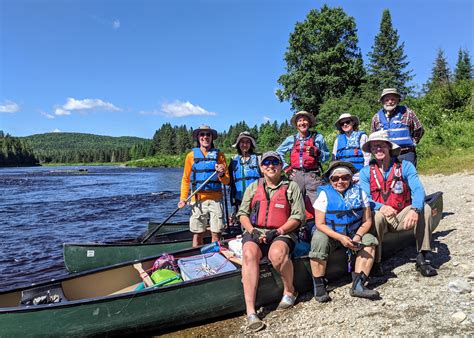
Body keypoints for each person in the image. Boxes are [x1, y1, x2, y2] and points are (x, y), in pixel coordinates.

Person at [236, 151, 305, 332]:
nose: (271, 166)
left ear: (281, 166)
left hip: (283, 231)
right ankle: (251, 311)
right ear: (261, 167)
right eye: (266, 163)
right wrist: (253, 231)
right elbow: (242, 214)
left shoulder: (291, 187)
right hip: (256, 230)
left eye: (275, 162)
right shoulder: (253, 187)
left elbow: (298, 216)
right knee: (249, 253)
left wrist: (279, 231)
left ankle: (290, 291)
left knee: (277, 254)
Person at [359, 131, 437, 277]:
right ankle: (376, 262)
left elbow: (419, 190)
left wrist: (414, 209)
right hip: (381, 215)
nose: (378, 149)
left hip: (401, 214)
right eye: (374, 147)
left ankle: (423, 256)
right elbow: (364, 198)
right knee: (375, 217)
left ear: (389, 147)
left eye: (382, 145)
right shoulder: (365, 172)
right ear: (371, 150)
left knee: (425, 208)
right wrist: (381, 207)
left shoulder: (405, 166)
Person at [309, 161, 379, 302]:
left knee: (370, 240)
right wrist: (340, 238)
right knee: (318, 239)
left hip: (353, 234)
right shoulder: (324, 195)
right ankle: (319, 285)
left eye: (345, 177)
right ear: (330, 180)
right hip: (331, 234)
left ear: (351, 178)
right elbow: (320, 224)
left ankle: (358, 285)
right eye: (335, 178)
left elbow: (367, 221)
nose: (340, 181)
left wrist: (358, 237)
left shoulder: (360, 193)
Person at [177, 125, 230, 247]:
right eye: (202, 134)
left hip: (216, 199)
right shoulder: (191, 156)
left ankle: (215, 257)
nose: (205, 137)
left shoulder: (219, 156)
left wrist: (221, 174)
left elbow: (227, 181)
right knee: (197, 233)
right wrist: (183, 198)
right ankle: (195, 256)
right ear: (198, 137)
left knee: (216, 233)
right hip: (197, 199)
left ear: (212, 137)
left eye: (208, 134)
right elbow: (185, 180)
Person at [276, 111, 330, 203]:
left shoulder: (318, 137)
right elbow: (278, 153)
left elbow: (327, 156)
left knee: (320, 204)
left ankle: (319, 217)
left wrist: (319, 153)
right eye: (299, 121)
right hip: (296, 175)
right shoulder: (291, 139)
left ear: (309, 123)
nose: (302, 123)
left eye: (305, 120)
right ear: (296, 125)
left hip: (313, 175)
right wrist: (285, 168)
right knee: (294, 204)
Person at [371, 88, 425, 166]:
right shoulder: (376, 117)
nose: (390, 102)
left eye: (393, 99)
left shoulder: (408, 112)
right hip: (386, 155)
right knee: (388, 178)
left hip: (406, 153)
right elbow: (373, 137)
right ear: (382, 101)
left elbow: (419, 129)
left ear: (398, 100)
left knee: (408, 177)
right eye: (387, 100)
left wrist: (414, 141)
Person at [332, 113, 371, 182]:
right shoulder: (338, 139)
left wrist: (364, 175)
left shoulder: (362, 136)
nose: (345, 124)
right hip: (343, 176)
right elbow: (334, 159)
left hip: (359, 175)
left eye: (347, 122)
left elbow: (367, 157)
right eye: (342, 123)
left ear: (352, 122)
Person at [228, 131, 262, 209]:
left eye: (247, 142)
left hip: (256, 200)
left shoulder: (258, 159)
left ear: (251, 144)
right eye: (242, 142)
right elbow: (228, 181)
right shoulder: (234, 161)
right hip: (239, 201)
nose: (245, 145)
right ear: (238, 144)